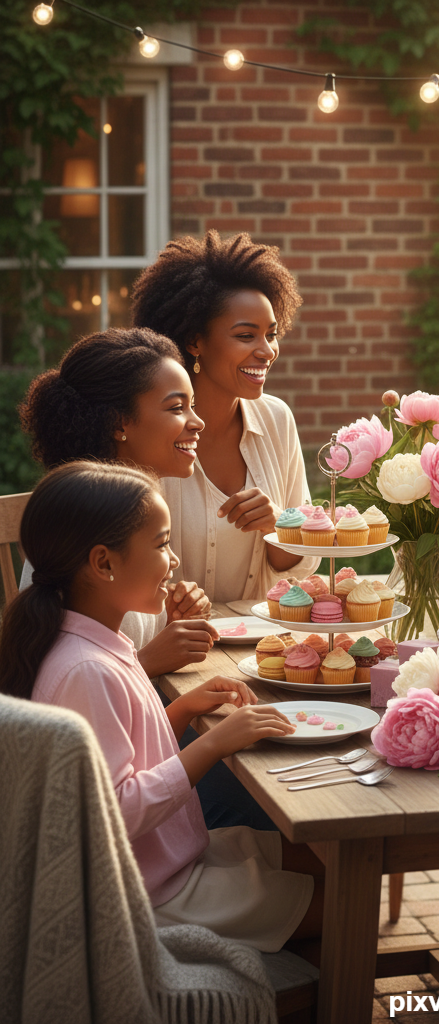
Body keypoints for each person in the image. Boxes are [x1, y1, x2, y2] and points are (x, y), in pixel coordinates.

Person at [0, 462, 325, 956]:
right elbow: (117, 811)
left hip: (164, 859)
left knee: (322, 858)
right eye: (161, 545)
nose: (173, 561)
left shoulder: (92, 641)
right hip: (149, 894)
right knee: (338, 896)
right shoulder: (87, 669)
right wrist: (214, 742)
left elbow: (113, 755)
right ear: (104, 563)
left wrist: (182, 710)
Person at [131, 229, 317, 600]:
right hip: (171, 643)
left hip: (261, 647)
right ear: (194, 341)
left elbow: (300, 568)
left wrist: (277, 525)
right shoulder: (146, 427)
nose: (267, 352)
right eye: (246, 336)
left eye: (272, 334)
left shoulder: (277, 419)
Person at [19, 328, 215, 677]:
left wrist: (171, 619)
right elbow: (60, 679)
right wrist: (150, 661)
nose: (197, 422)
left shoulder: (137, 509)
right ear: (119, 423)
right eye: (177, 408)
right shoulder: (77, 524)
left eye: (192, 406)